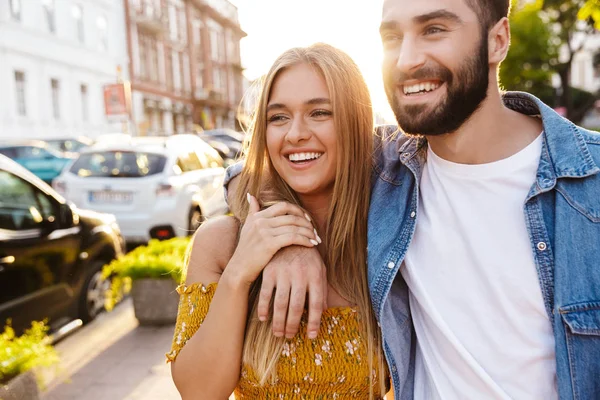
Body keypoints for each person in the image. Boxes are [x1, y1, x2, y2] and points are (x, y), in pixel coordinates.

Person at [225, 0, 600, 399]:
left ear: (498, 40)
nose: (406, 59)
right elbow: (252, 171)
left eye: (434, 29)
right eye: (391, 37)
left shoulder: (589, 182)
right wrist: (292, 236)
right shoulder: (388, 170)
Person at [167, 43, 389, 399]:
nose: (295, 134)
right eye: (278, 117)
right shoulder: (220, 243)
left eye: (320, 113)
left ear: (355, 121)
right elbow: (199, 392)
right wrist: (240, 273)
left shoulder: (389, 241)